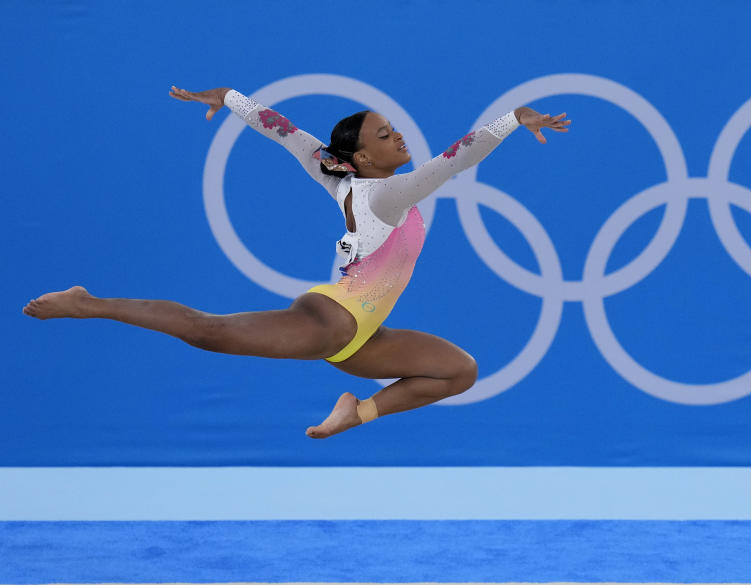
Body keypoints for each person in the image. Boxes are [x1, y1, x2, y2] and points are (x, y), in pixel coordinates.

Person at [22, 84, 570, 438]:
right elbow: (454, 160)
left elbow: (288, 135)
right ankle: (87, 303)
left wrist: (231, 98)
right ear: (362, 158)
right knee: (206, 332)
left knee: (459, 372)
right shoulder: (388, 194)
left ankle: (357, 412)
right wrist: (512, 120)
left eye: (392, 128)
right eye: (384, 134)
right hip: (330, 320)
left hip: (362, 339)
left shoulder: (346, 179)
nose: (397, 135)